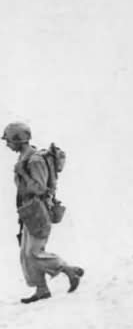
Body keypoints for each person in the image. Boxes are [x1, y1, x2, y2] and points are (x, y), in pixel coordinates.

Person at [4, 122, 83, 304]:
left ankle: (68, 270)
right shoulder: (25, 158)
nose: (7, 144)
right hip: (28, 210)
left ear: (19, 139)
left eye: (9, 140)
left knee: (34, 252)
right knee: (25, 253)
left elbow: (40, 188)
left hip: (38, 209)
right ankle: (41, 289)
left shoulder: (34, 160)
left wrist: (23, 174)